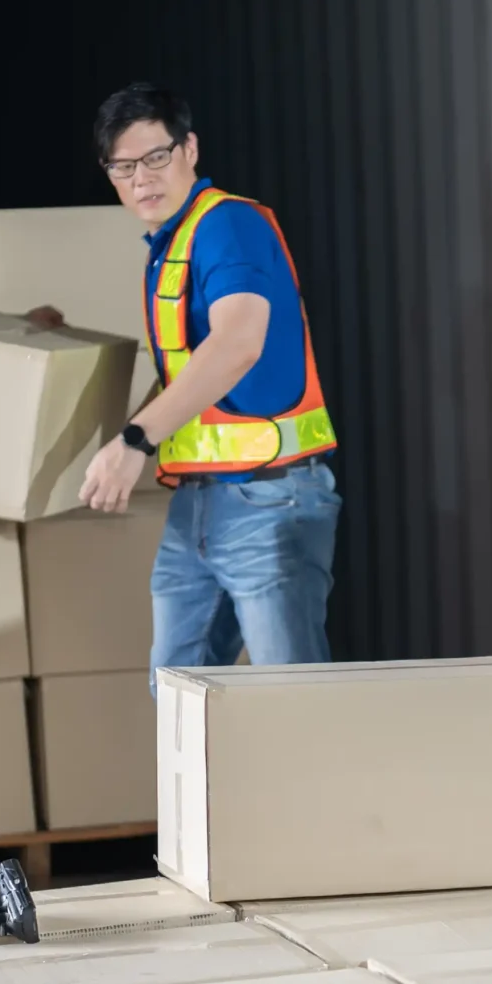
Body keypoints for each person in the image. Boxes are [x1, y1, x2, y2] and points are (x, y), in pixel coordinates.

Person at [76, 83, 340, 673]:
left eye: (155, 157)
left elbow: (237, 344)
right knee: (180, 698)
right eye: (123, 166)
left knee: (293, 703)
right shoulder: (171, 243)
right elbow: (187, 373)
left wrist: (134, 442)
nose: (141, 178)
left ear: (189, 149)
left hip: (271, 498)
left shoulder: (229, 225)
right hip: (199, 505)